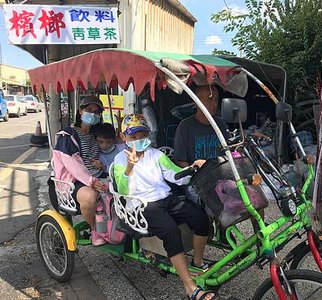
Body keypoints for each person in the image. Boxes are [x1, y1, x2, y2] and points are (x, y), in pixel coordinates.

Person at [113, 115, 215, 300]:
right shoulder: (120, 160)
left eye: (142, 135)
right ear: (123, 137)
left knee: (200, 218)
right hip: (141, 205)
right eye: (133, 137)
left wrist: (193, 167)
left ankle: (198, 262)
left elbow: (177, 176)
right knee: (171, 231)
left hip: (165, 199)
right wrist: (130, 167)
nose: (139, 140)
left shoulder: (156, 155)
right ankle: (189, 286)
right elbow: (122, 189)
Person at [52, 95, 108, 246]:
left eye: (97, 112)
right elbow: (72, 164)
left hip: (98, 175)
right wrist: (91, 181)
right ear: (80, 111)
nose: (93, 114)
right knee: (90, 197)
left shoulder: (96, 135)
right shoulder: (67, 136)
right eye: (89, 110)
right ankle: (94, 229)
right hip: (75, 181)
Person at [174, 85, 230, 167]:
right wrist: (194, 173)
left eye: (216, 99)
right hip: (198, 177)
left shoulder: (221, 123)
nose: (214, 103)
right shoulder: (185, 126)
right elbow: (180, 159)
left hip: (220, 173)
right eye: (210, 99)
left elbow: (229, 150)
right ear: (197, 101)